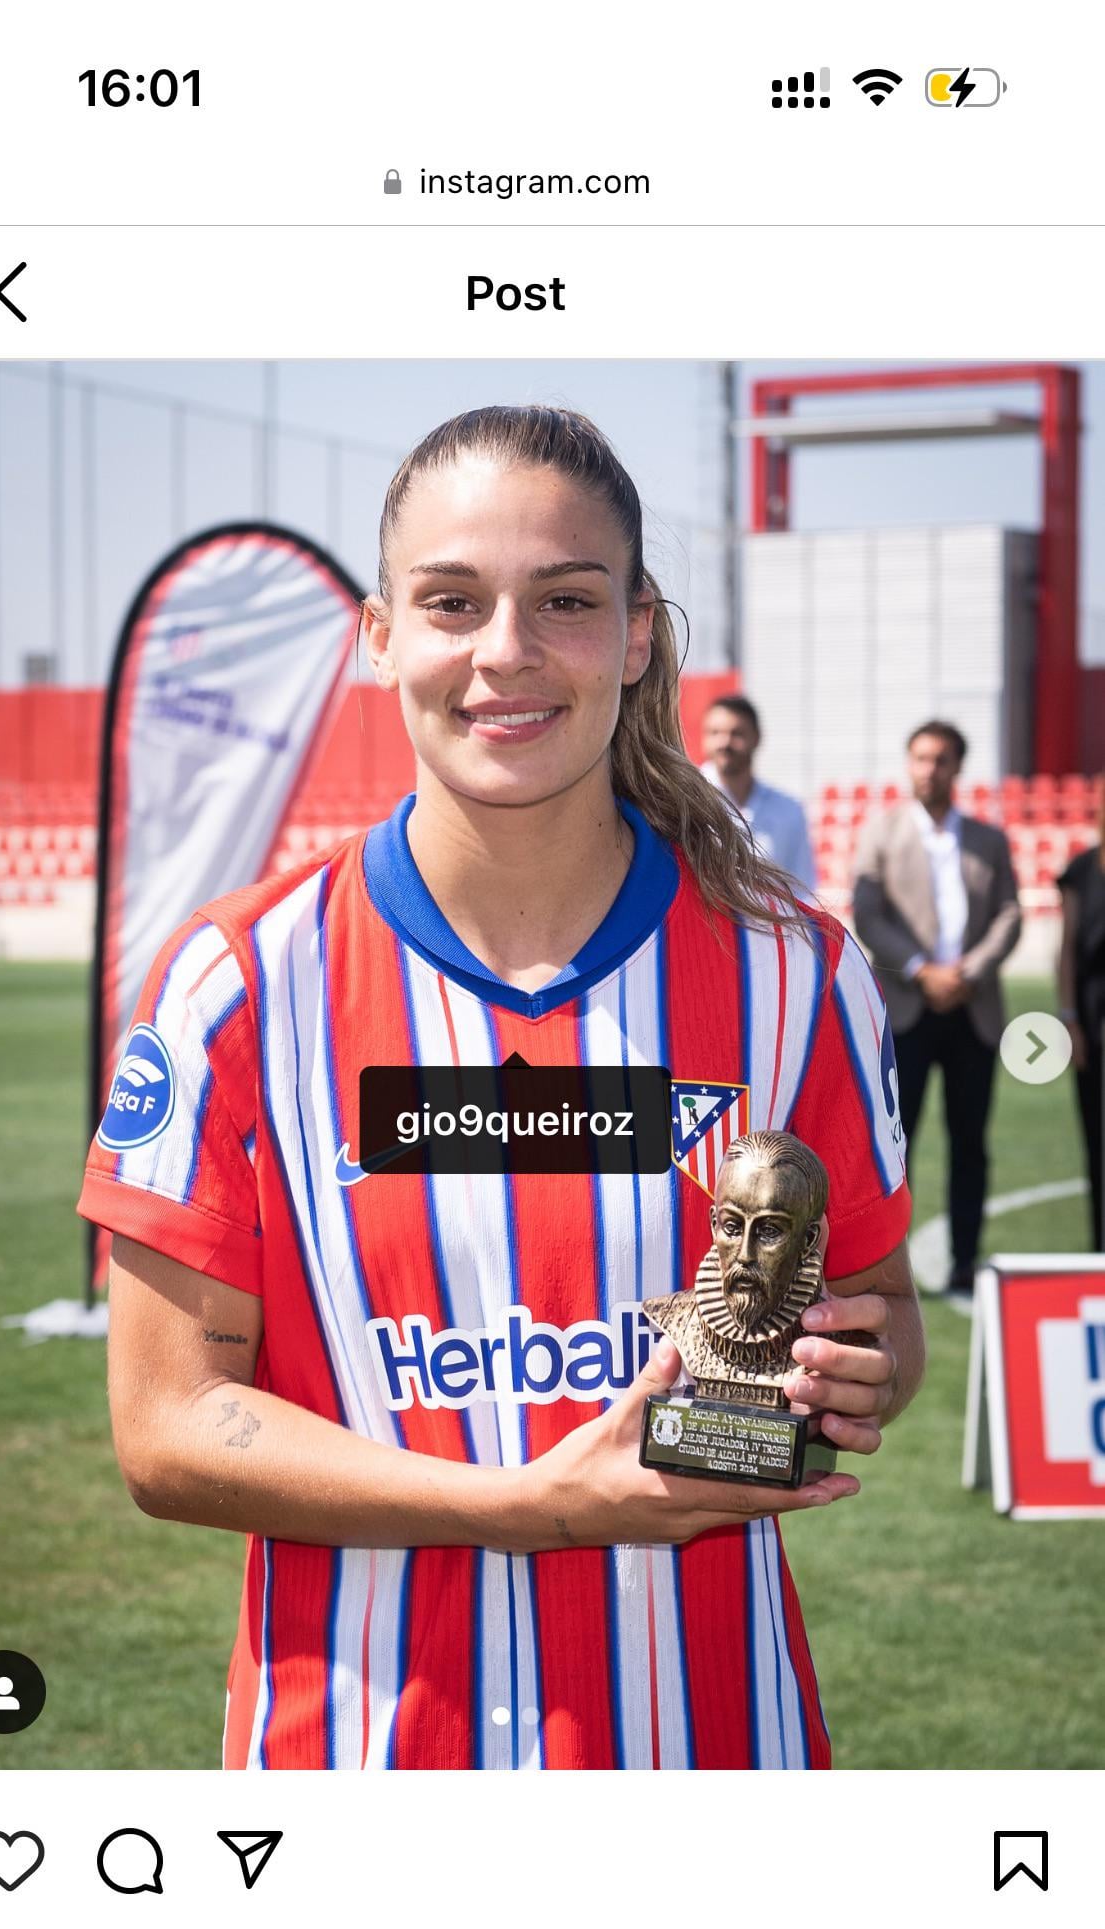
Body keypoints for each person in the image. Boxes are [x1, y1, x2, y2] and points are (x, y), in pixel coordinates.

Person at [79, 405, 923, 1772]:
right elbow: (165, 1430)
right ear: (379, 637)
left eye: (565, 601)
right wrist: (531, 1506)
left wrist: (860, 1369)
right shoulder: (237, 984)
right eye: (452, 601)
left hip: (712, 1757)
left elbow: (883, 1312)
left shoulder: (796, 974)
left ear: (637, 634)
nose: (505, 651)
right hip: (355, 1772)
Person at [852, 720, 1021, 1297]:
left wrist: (968, 972)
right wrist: (923, 971)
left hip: (973, 1011)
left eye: (941, 759)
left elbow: (1009, 914)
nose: (929, 769)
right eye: (921, 758)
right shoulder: (881, 833)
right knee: (895, 1147)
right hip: (907, 1010)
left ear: (957, 767)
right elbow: (869, 914)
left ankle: (965, 1262)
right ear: (910, 763)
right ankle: (886, 1265)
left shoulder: (988, 840)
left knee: (970, 1142)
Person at [700, 694, 817, 896]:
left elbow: (802, 889)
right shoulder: (685, 800)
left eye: (736, 733)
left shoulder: (788, 810)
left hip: (769, 916)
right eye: (715, 732)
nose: (724, 742)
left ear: (757, 738)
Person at [1057, 802, 1105, 1250]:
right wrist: (1069, 1020)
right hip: (1093, 1030)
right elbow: (1068, 950)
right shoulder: (1081, 872)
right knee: (1099, 1146)